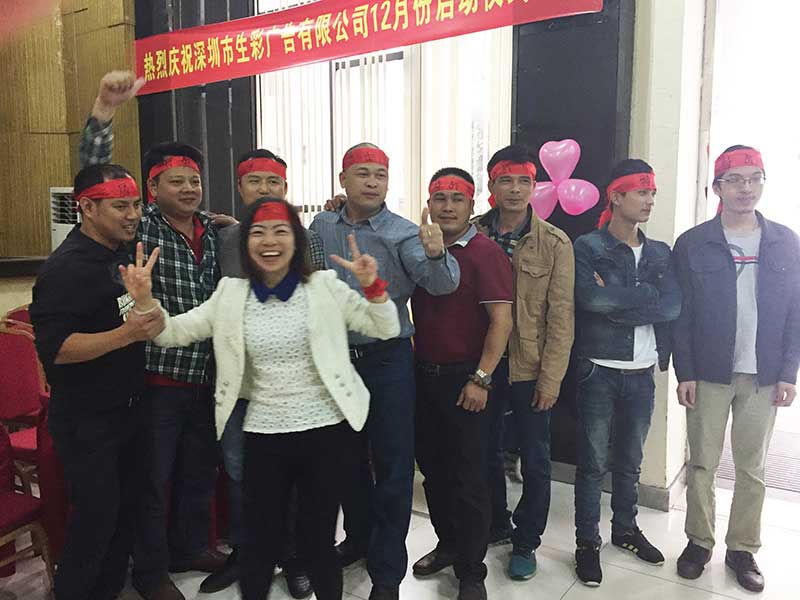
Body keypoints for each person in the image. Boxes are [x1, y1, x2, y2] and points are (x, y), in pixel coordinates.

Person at [118, 196, 401, 600]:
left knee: (317, 541)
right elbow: (172, 334)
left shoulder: (324, 286)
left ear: (297, 240)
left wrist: (372, 286)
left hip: (327, 434)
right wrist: (145, 301)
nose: (270, 241)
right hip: (263, 433)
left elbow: (386, 327)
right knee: (258, 542)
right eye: (258, 232)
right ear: (244, 242)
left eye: (281, 231)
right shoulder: (231, 294)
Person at [79, 71, 229, 600]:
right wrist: (104, 109)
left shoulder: (215, 229)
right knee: (152, 480)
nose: (188, 189)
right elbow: (93, 174)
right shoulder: (139, 227)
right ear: (151, 189)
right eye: (176, 181)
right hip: (157, 379)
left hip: (207, 375)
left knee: (198, 472)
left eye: (194, 180)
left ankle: (190, 546)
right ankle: (150, 571)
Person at [311, 143, 460, 600]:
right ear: (343, 180)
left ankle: (387, 574)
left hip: (387, 361)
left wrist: (436, 254)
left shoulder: (404, 233)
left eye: (380, 175)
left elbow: (441, 284)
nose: (372, 182)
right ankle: (357, 539)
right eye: (363, 174)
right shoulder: (322, 226)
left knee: (394, 469)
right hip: (337, 360)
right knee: (346, 463)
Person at [29, 164, 164, 600]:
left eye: (136, 204)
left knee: (125, 515)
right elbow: (56, 349)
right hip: (87, 420)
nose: (133, 215)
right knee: (95, 522)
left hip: (129, 408)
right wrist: (128, 334)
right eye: (120, 206)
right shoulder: (65, 269)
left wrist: (145, 313)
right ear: (87, 207)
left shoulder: (118, 253)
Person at [672, 145, 800, 593]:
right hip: (709, 372)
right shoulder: (694, 243)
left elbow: (795, 312)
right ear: (718, 188)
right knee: (702, 463)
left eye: (754, 178)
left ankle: (742, 549)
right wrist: (685, 372)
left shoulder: (785, 241)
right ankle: (698, 542)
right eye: (735, 180)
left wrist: (789, 372)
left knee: (752, 467)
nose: (746, 188)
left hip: (763, 373)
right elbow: (682, 314)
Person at [202, 148, 325, 597]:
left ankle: (294, 557)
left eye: (274, 182)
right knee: (239, 472)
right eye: (255, 182)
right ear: (240, 188)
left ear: (285, 189)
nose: (265, 189)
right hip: (236, 380)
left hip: (289, 382)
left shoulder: (306, 238)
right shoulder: (223, 238)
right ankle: (246, 552)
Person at [571, 159, 681, 586]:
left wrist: (620, 301)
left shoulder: (660, 252)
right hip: (598, 368)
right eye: (641, 192)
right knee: (592, 463)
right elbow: (589, 300)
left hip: (642, 371)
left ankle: (625, 529)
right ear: (616, 197)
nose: (649, 200)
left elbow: (671, 307)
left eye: (652, 193)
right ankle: (587, 542)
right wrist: (644, 297)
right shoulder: (588, 247)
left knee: (630, 461)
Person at [410, 168, 513, 600]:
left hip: (469, 378)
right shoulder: (419, 248)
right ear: (429, 204)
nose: (448, 206)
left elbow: (501, 322)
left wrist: (481, 379)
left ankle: (472, 570)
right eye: (440, 198)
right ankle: (448, 544)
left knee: (469, 477)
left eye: (457, 199)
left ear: (472, 206)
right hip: (423, 375)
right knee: (433, 472)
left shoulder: (486, 253)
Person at [473, 144, 575, 580]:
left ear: (534, 185)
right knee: (484, 450)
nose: (514, 190)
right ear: (492, 185)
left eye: (524, 181)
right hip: (482, 361)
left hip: (530, 365)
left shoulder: (554, 242)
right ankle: (495, 523)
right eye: (506, 181)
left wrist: (551, 379)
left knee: (535, 458)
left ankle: (526, 540)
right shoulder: (473, 233)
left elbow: (561, 317)